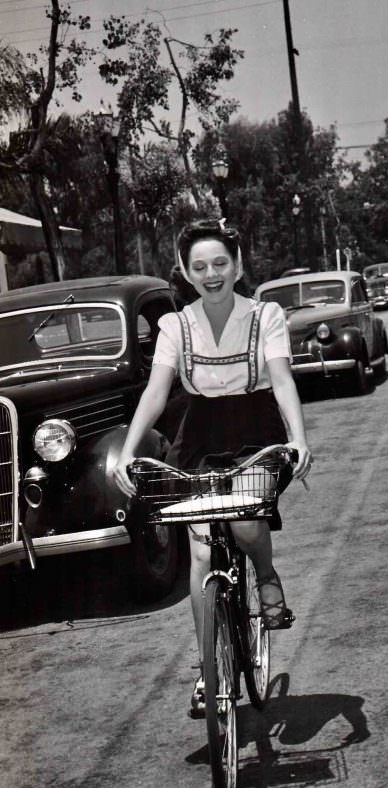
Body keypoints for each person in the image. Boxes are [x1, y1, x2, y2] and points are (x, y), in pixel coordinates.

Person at [113, 219, 312, 716]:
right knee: (199, 557)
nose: (211, 274)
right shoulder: (174, 326)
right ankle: (208, 670)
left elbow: (283, 382)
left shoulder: (265, 314)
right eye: (199, 266)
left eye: (220, 263)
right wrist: (130, 448)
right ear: (184, 271)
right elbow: (156, 393)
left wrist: (299, 439)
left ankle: (265, 574)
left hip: (256, 429)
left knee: (246, 521)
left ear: (238, 265)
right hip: (199, 437)